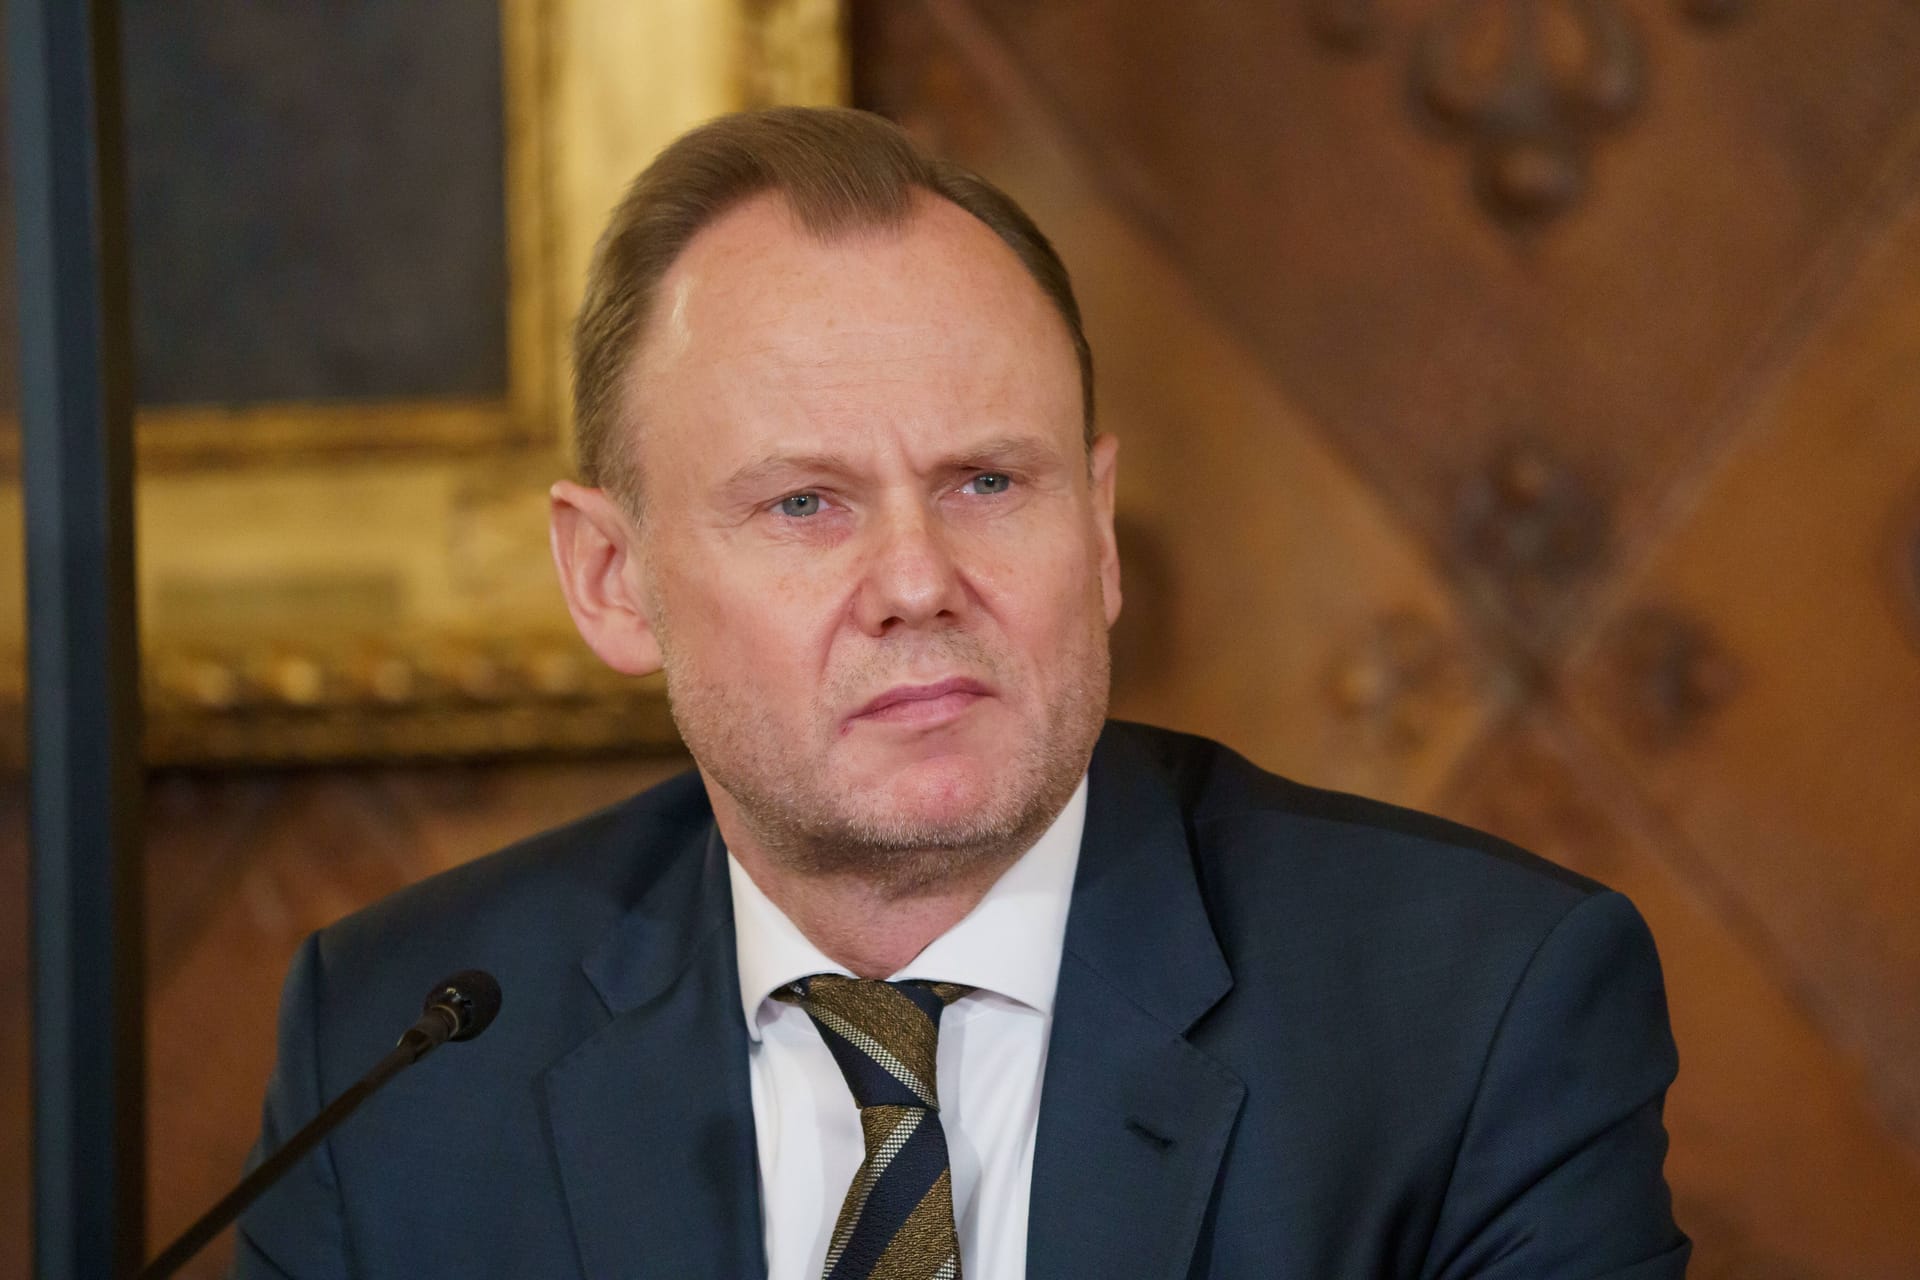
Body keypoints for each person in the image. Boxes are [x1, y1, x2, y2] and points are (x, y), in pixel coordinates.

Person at [233, 107, 1688, 1279]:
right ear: (613, 578)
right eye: (806, 505)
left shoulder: (1479, 1010)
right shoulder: (400, 1055)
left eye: (987, 482)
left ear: (1099, 530)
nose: (918, 580)